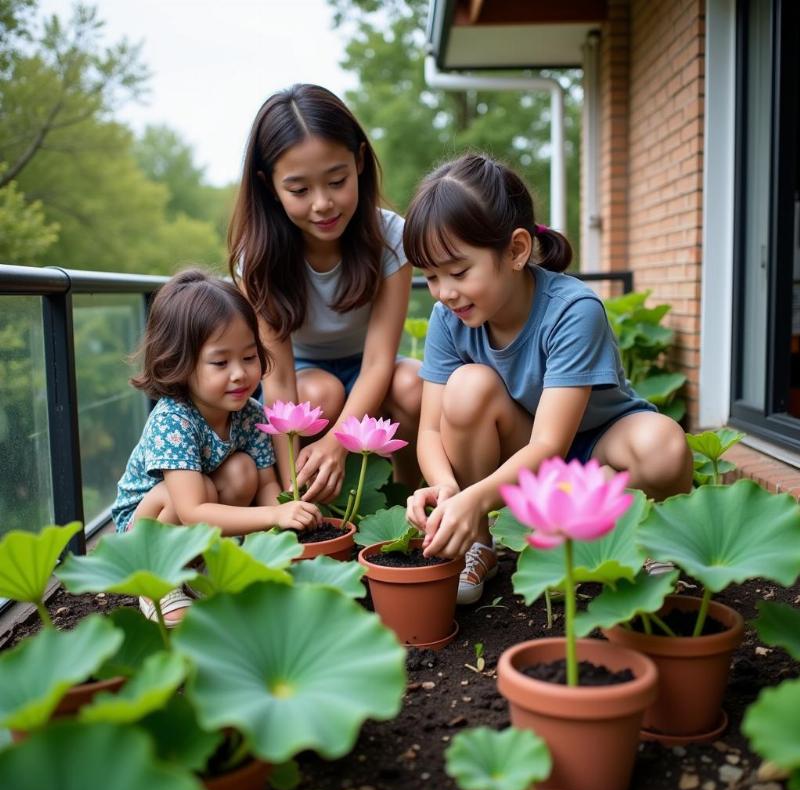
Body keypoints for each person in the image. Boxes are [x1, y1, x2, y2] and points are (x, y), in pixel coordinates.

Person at [403, 153, 693, 604]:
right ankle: (481, 545)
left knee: (665, 446)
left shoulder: (573, 311)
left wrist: (476, 496)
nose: (444, 292)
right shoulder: (447, 317)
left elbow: (550, 447)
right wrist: (448, 488)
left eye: (459, 272)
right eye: (431, 277)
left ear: (516, 250)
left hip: (601, 446)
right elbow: (431, 430)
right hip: (523, 443)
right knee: (466, 388)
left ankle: (650, 539)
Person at [228, 84, 422, 503]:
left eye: (337, 181)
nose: (322, 204)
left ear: (360, 163)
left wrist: (338, 442)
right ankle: (312, 505)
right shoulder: (256, 257)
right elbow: (276, 376)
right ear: (269, 187)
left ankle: (406, 501)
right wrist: (285, 493)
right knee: (319, 394)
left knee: (415, 386)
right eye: (299, 190)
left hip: (372, 369)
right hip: (301, 373)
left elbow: (377, 362)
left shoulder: (391, 236)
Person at [111, 269, 321, 625]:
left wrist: (288, 522)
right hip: (140, 534)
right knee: (195, 490)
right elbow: (192, 510)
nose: (239, 374)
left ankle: (200, 566)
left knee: (243, 471)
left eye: (250, 357)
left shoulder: (249, 413)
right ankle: (157, 584)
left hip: (197, 528)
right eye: (220, 363)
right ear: (180, 362)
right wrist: (272, 516)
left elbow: (268, 487)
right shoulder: (172, 420)